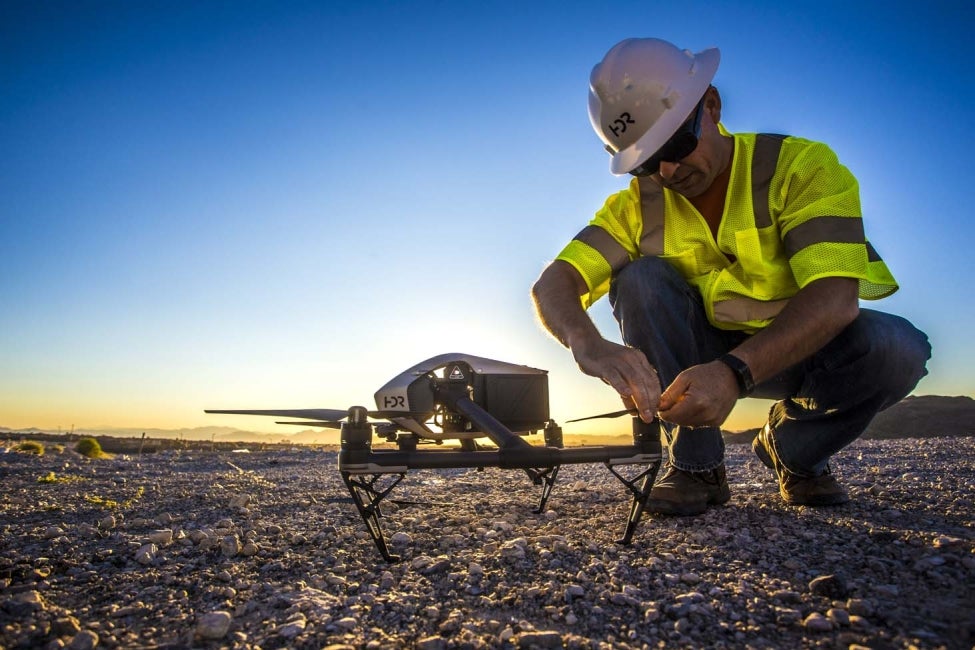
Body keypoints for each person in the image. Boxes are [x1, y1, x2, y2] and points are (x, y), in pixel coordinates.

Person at [531, 37, 931, 516]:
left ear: (713, 105)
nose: (669, 170)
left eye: (677, 143)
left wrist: (735, 373)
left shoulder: (799, 168)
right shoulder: (637, 207)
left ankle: (797, 452)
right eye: (644, 162)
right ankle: (696, 466)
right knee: (640, 279)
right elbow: (553, 283)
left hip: (803, 351)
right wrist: (586, 344)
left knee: (898, 349)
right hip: (697, 361)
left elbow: (834, 298)